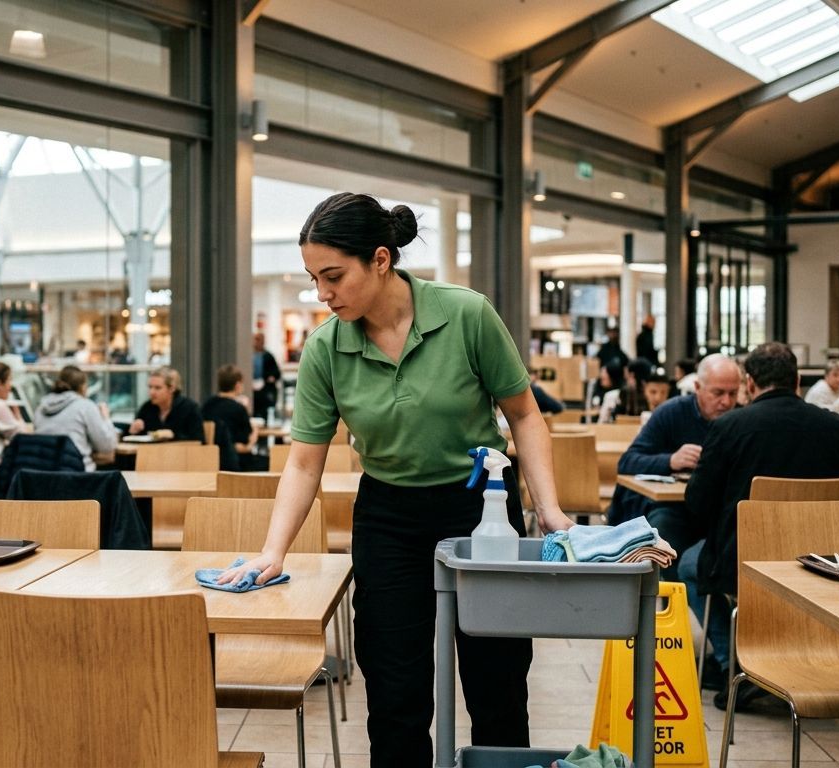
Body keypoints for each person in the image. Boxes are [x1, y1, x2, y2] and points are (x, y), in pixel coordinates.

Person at [217, 193, 572, 766]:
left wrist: (550, 510)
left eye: (333, 276)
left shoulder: (467, 314)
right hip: (387, 517)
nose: (321, 294)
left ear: (380, 260)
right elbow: (306, 460)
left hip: (482, 508)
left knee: (497, 678)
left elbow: (525, 414)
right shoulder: (326, 348)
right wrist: (272, 550)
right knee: (395, 687)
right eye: (314, 279)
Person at [682, 342, 839, 682]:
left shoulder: (730, 427)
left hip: (745, 562)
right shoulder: (836, 427)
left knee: (689, 565)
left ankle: (733, 660)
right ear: (797, 381)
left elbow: (697, 503)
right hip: (826, 560)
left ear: (749, 384)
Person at [611, 355, 742, 572]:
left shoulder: (742, 419)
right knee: (664, 536)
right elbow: (627, 462)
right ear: (698, 387)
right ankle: (673, 596)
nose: (726, 402)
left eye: (733, 394)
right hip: (677, 508)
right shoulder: (672, 412)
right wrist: (670, 460)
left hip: (723, 510)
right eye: (718, 393)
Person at [34, 365, 118, 471]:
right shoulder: (85, 406)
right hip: (77, 477)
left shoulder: (40, 408)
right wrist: (106, 418)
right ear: (83, 387)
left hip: (42, 476)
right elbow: (107, 446)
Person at [200, 364, 258, 471]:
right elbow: (246, 440)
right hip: (236, 463)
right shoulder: (238, 408)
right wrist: (255, 431)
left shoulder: (207, 405)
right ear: (237, 385)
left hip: (210, 461)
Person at [127, 366, 204, 442]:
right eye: (150, 387)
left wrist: (173, 435)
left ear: (171, 388)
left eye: (157, 388)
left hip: (181, 453)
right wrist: (133, 431)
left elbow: (198, 441)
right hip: (152, 453)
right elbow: (137, 439)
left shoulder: (189, 408)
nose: (152, 392)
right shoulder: (147, 408)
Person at [252, 332, 283, 421]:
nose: (256, 342)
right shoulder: (250, 355)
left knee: (265, 414)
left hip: (265, 390)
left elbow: (276, 373)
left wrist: (271, 377)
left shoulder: (268, 356)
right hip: (253, 390)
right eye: (255, 340)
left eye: (259, 340)